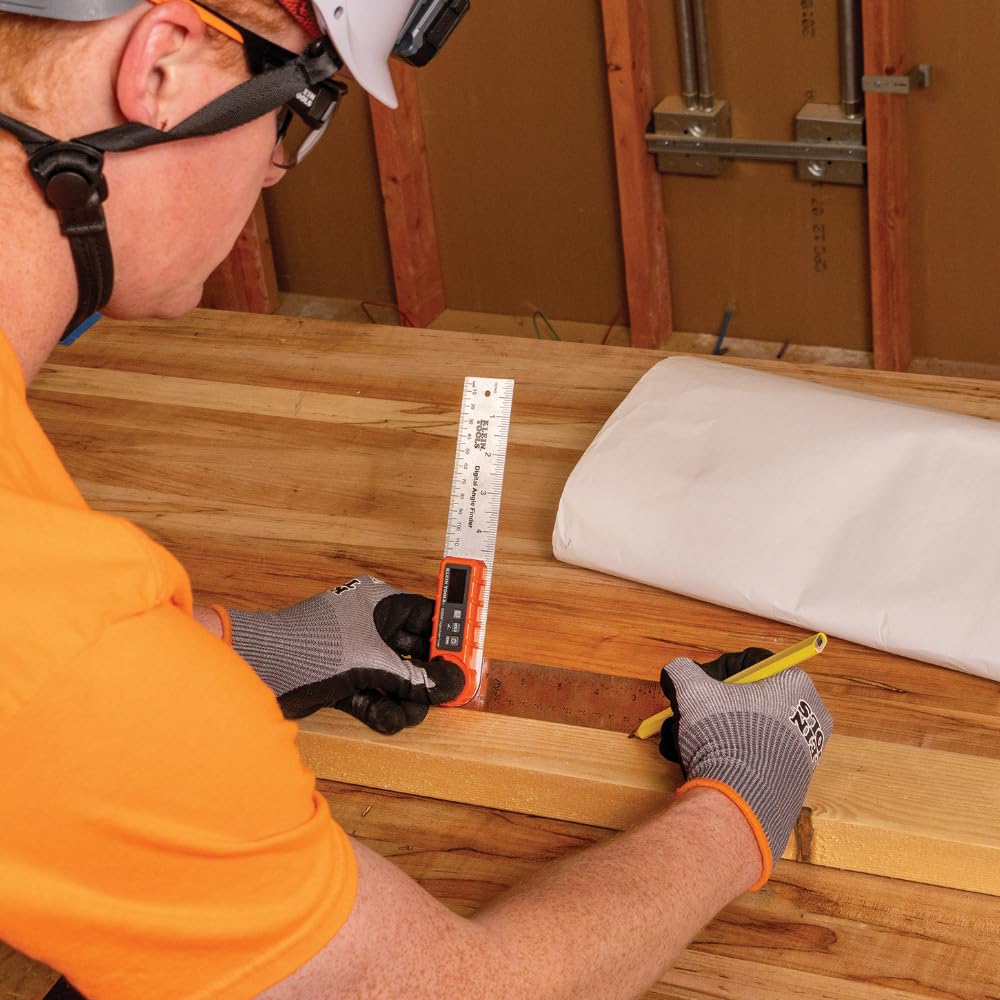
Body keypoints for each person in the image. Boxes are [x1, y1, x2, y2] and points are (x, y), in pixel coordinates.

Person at [0, 2, 834, 997]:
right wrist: (739, 803)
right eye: (297, 106)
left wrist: (250, 647)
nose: (272, 169)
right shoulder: (61, 649)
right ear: (161, 69)